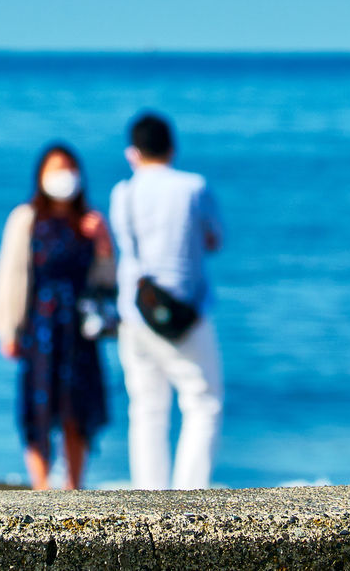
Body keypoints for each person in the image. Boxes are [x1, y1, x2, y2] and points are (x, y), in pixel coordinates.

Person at [0, 143, 113, 489]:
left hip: (78, 330)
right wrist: (7, 329)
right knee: (38, 410)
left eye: (69, 169)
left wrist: (103, 243)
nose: (63, 177)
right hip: (39, 326)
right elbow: (10, 276)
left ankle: (74, 485)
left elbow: (106, 282)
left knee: (78, 408)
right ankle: (41, 489)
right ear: (41, 176)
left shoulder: (89, 221)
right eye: (55, 170)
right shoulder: (26, 218)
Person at [109, 112, 224, 490]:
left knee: (146, 409)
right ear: (172, 148)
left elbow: (125, 247)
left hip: (136, 311)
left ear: (133, 153)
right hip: (185, 310)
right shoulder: (193, 187)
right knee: (202, 402)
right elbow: (214, 240)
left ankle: (149, 501)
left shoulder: (122, 193)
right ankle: (190, 499)